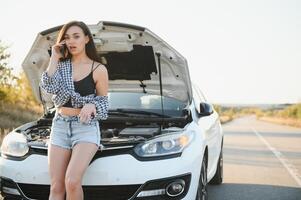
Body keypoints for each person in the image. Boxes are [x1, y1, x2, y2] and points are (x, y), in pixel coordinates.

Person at [40, 20, 109, 200]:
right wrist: (54, 57)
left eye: (76, 36)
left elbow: (103, 103)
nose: (71, 41)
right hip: (60, 125)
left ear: (86, 39)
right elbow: (48, 87)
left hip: (85, 128)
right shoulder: (61, 66)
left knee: (71, 181)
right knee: (56, 186)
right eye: (67, 38)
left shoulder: (98, 69)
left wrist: (91, 104)